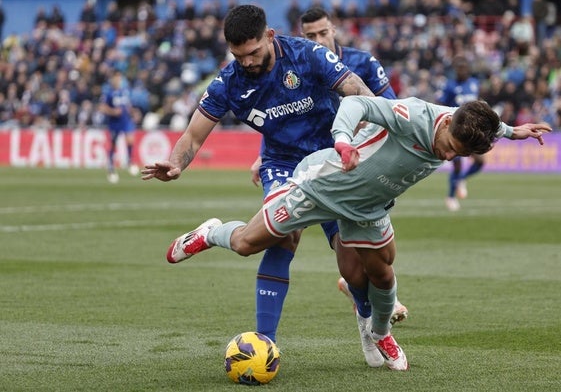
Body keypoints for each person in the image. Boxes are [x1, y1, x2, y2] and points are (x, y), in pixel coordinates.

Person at [151, 96, 550, 371]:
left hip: (368, 208)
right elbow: (356, 103)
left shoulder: (466, 123)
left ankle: (381, 333)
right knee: (244, 244)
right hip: (321, 185)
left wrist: (516, 131)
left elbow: (490, 125)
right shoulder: (414, 115)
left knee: (381, 274)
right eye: (448, 147)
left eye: (457, 155)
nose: (447, 156)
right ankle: (210, 232)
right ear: (446, 124)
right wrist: (342, 141)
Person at [141, 4, 387, 368]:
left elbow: (358, 90)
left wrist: (370, 138)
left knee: (354, 263)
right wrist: (176, 164)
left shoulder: (307, 54)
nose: (247, 62)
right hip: (283, 164)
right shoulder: (229, 83)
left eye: (253, 52)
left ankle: (369, 325)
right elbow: (193, 135)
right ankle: (264, 344)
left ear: (269, 36)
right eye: (238, 55)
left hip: (330, 159)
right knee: (282, 234)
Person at [295, 5, 410, 328]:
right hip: (323, 161)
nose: (318, 40)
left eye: (322, 32)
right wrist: (265, 153)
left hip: (367, 160)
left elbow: (390, 105)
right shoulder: (300, 68)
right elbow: (285, 115)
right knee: (341, 236)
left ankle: (359, 287)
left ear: (334, 29)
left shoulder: (362, 62)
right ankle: (371, 300)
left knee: (373, 231)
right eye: (309, 36)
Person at [436, 55, 481, 212]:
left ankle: (461, 180)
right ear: (455, 70)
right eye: (459, 68)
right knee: (457, 164)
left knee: (480, 161)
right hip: (455, 130)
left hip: (473, 130)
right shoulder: (449, 86)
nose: (462, 71)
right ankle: (451, 197)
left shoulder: (475, 84)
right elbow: (440, 104)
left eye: (464, 68)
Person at [98, 71, 139, 184]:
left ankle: (130, 162)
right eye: (116, 79)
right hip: (114, 122)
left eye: (119, 79)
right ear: (112, 80)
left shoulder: (125, 92)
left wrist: (133, 112)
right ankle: (111, 168)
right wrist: (113, 111)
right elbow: (102, 107)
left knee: (130, 139)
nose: (118, 81)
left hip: (125, 120)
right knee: (113, 144)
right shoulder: (108, 93)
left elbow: (128, 105)